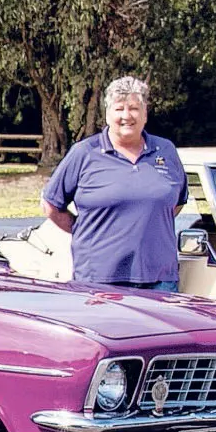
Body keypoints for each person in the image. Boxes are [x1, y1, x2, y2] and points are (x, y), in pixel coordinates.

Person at [42, 75, 186, 292]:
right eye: (119, 109)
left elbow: (176, 202)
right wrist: (85, 230)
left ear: (145, 113)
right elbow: (50, 205)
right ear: (108, 113)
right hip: (98, 281)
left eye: (134, 108)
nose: (126, 116)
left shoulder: (166, 151)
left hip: (160, 280)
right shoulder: (85, 153)